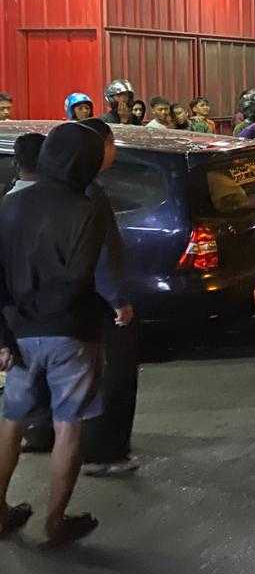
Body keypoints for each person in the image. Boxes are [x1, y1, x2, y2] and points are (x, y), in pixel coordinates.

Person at [0, 122, 132, 547]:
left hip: (19, 332)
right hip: (71, 332)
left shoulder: (12, 204)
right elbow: (82, 274)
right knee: (68, 427)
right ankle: (55, 523)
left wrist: (5, 336)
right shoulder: (87, 207)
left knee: (11, 420)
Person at [75, 119, 140, 477]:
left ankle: (55, 435)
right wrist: (118, 299)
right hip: (101, 299)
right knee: (115, 372)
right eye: (112, 144)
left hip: (70, 301)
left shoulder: (60, 188)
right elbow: (101, 252)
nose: (114, 151)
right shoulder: (92, 193)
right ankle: (104, 451)